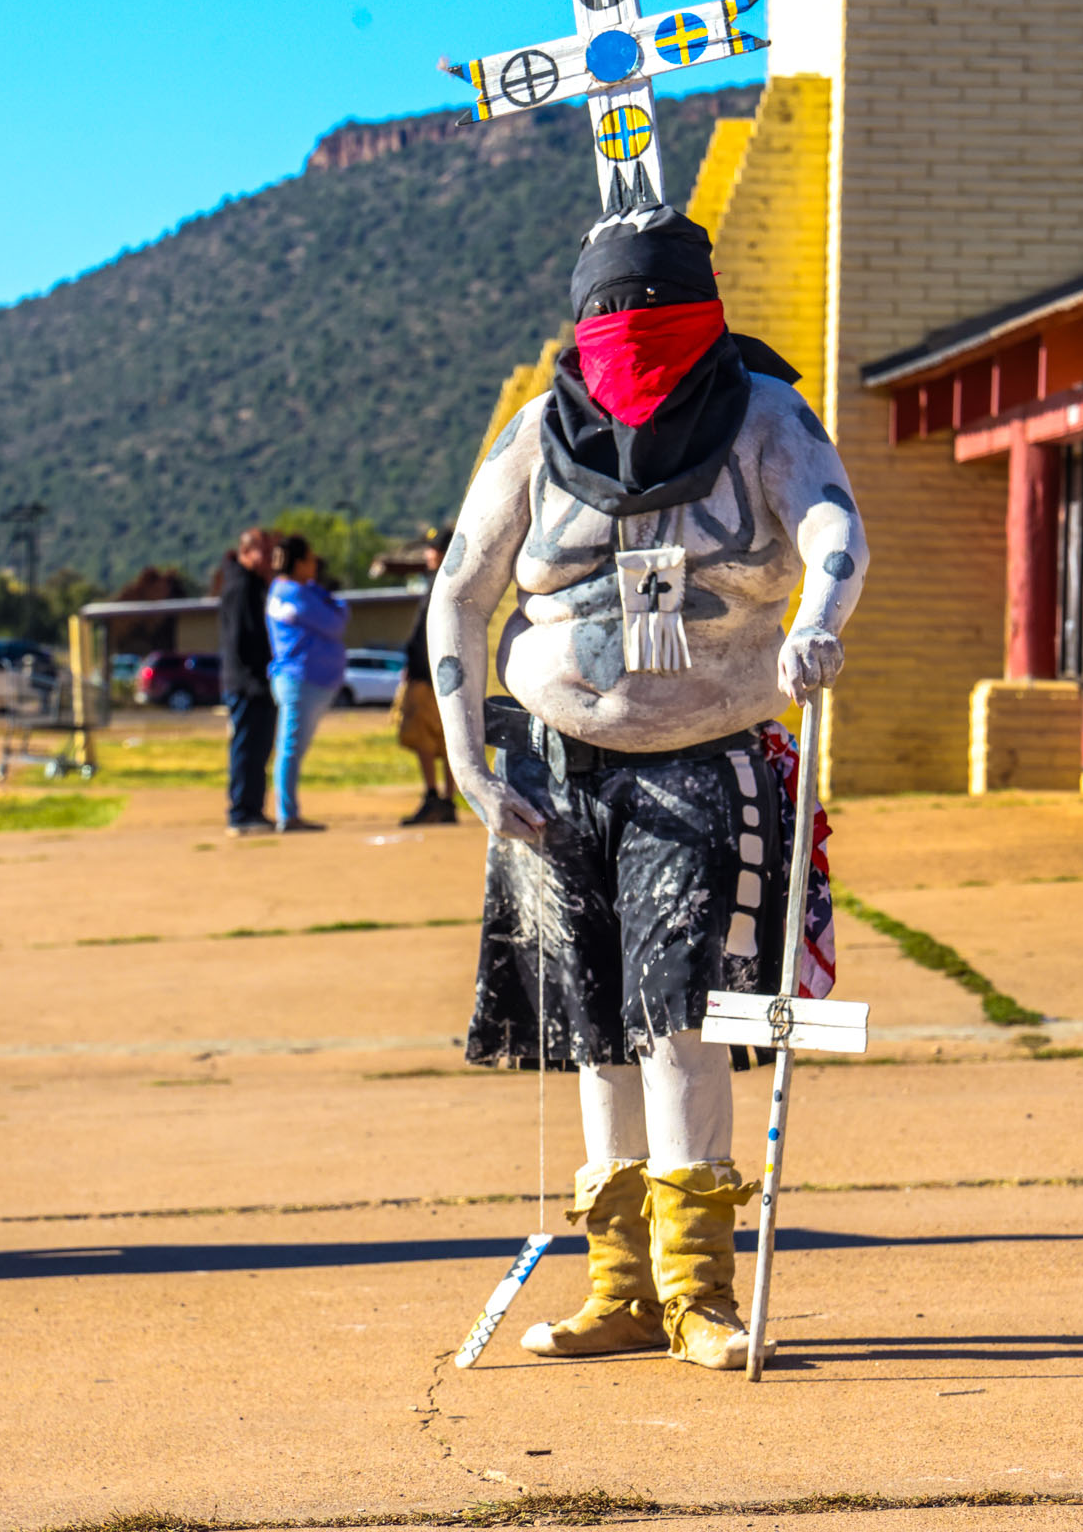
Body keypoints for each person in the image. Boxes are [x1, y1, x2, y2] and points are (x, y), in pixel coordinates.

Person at [430, 205, 866, 1370]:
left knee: (680, 1017)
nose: (629, 335)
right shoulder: (536, 433)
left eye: (650, 312)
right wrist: (472, 761)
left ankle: (696, 1289)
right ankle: (617, 1284)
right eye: (608, 314)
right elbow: (462, 590)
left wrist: (819, 620)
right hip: (558, 765)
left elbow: (833, 525)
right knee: (592, 1027)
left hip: (705, 756)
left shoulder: (764, 417)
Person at [265, 534, 348, 836]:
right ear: (298, 563)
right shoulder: (295, 594)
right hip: (300, 680)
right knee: (290, 748)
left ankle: (288, 812)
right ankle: (287, 815)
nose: (315, 564)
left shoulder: (285, 590)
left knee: (291, 748)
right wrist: (328, 598)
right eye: (310, 559)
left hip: (305, 681)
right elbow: (337, 621)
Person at [394, 525, 457, 826]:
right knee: (445, 739)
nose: (429, 554)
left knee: (425, 738)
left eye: (434, 549)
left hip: (429, 674)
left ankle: (435, 796)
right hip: (442, 673)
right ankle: (446, 799)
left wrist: (416, 669)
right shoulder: (448, 582)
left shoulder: (444, 583)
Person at [218, 527, 276, 837]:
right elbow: (242, 640)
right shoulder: (240, 588)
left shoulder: (255, 586)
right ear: (245, 553)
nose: (268, 559)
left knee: (259, 750)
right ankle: (240, 812)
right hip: (246, 684)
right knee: (245, 748)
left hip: (258, 683)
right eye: (262, 552)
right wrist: (256, 677)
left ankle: (253, 808)